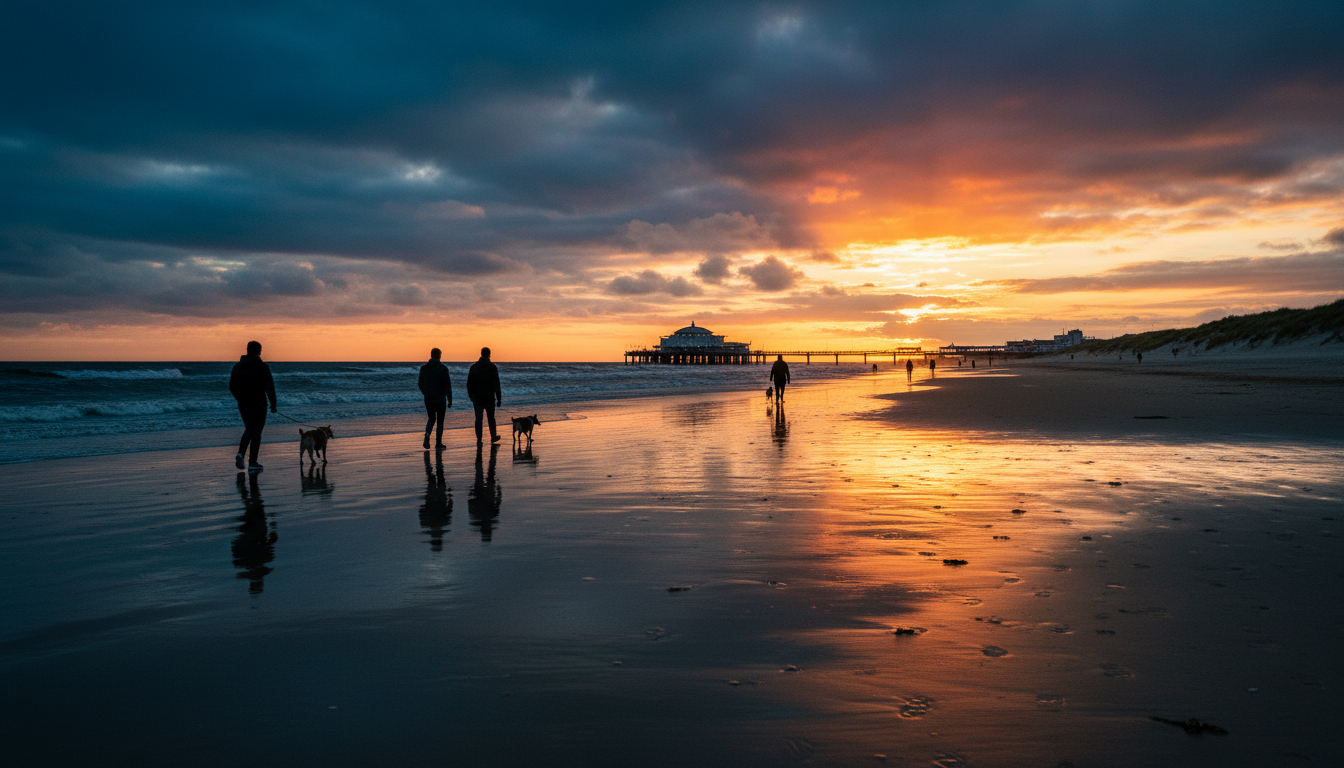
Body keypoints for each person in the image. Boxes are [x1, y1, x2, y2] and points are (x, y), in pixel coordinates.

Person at [229, 340, 277, 471]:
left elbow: (232, 386)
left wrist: (240, 398)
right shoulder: (262, 367)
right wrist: (273, 404)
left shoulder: (237, 366)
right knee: (256, 431)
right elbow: (270, 387)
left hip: (243, 403)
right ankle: (252, 461)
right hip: (259, 402)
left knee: (250, 428)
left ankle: (241, 454)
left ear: (247, 350)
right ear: (259, 351)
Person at [418, 348, 452, 449]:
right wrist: (450, 399)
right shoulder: (443, 368)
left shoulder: (424, 368)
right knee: (440, 421)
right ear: (439, 356)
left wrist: (426, 393)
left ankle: (427, 436)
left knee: (431, 419)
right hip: (440, 399)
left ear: (431, 355)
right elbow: (447, 385)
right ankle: (438, 443)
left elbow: (420, 384)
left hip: (428, 398)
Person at [467, 347, 502, 443]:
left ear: (481, 354)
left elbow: (469, 383)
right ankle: (493, 436)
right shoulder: (492, 367)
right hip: (489, 397)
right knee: (491, 418)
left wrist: (470, 395)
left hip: (477, 397)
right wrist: (499, 398)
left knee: (478, 418)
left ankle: (479, 439)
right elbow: (496, 384)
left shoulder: (474, 367)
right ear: (489, 355)